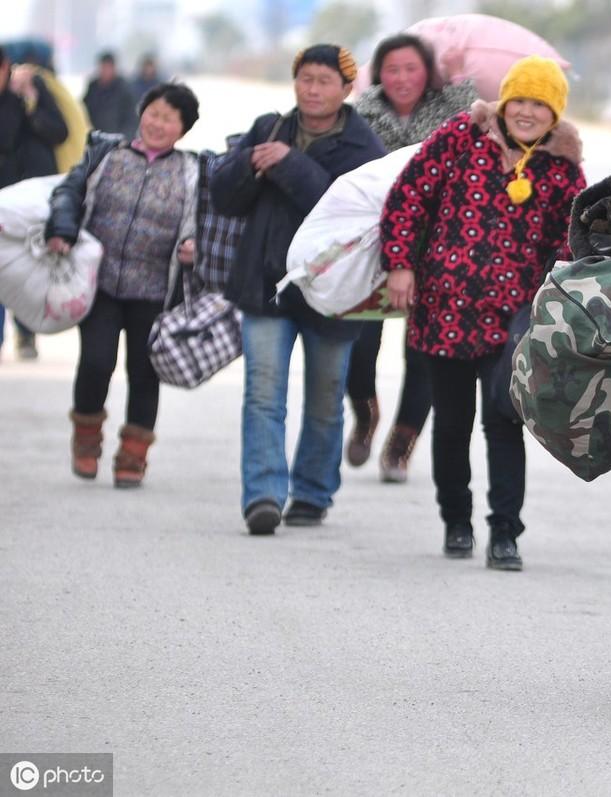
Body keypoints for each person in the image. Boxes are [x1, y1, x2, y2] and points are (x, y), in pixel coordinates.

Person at [380, 56, 585, 570]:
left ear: (554, 113)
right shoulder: (459, 138)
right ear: (504, 101)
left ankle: (504, 533)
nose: (528, 112)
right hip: (443, 307)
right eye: (520, 100)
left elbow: (573, 242)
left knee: (503, 422)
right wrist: (400, 265)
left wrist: (554, 301)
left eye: (541, 104)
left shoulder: (562, 168)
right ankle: (455, 520)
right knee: (451, 423)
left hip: (515, 320)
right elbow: (408, 197)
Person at [212, 45, 385, 535]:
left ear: (347, 89)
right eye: (305, 78)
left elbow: (348, 211)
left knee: (326, 398)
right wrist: (248, 162)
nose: (312, 89)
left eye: (324, 81)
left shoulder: (362, 146)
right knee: (263, 395)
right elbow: (223, 197)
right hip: (267, 286)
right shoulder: (269, 127)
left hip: (333, 292)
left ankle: (311, 491)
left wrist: (289, 165)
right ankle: (263, 494)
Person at [45, 82, 201, 487]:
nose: (158, 123)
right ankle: (86, 438)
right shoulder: (107, 154)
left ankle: (133, 455)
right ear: (141, 113)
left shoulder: (193, 171)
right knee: (96, 362)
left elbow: (205, 223)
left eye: (169, 118)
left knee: (144, 372)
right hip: (101, 283)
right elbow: (69, 192)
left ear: (183, 129)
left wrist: (193, 250)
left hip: (153, 290)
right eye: (153, 113)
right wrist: (61, 228)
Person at [347, 33, 478, 482]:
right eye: (392, 69)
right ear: (379, 74)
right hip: (371, 245)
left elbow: (477, 138)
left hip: (438, 247)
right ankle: (365, 411)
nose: (402, 78)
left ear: (428, 73)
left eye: (412, 68)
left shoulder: (452, 113)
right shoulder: (361, 114)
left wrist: (460, 79)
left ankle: (402, 442)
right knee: (359, 348)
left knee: (423, 352)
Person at [0, 46, 67, 362]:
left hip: (27, 201)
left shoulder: (31, 91)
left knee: (25, 269)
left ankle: (26, 335)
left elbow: (59, 132)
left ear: (5, 68)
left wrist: (28, 99)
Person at [82, 51, 137, 138]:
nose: (105, 71)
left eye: (108, 67)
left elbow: (131, 119)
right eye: (103, 67)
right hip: (97, 138)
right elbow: (84, 110)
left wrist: (124, 138)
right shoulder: (93, 87)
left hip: (117, 138)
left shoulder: (124, 89)